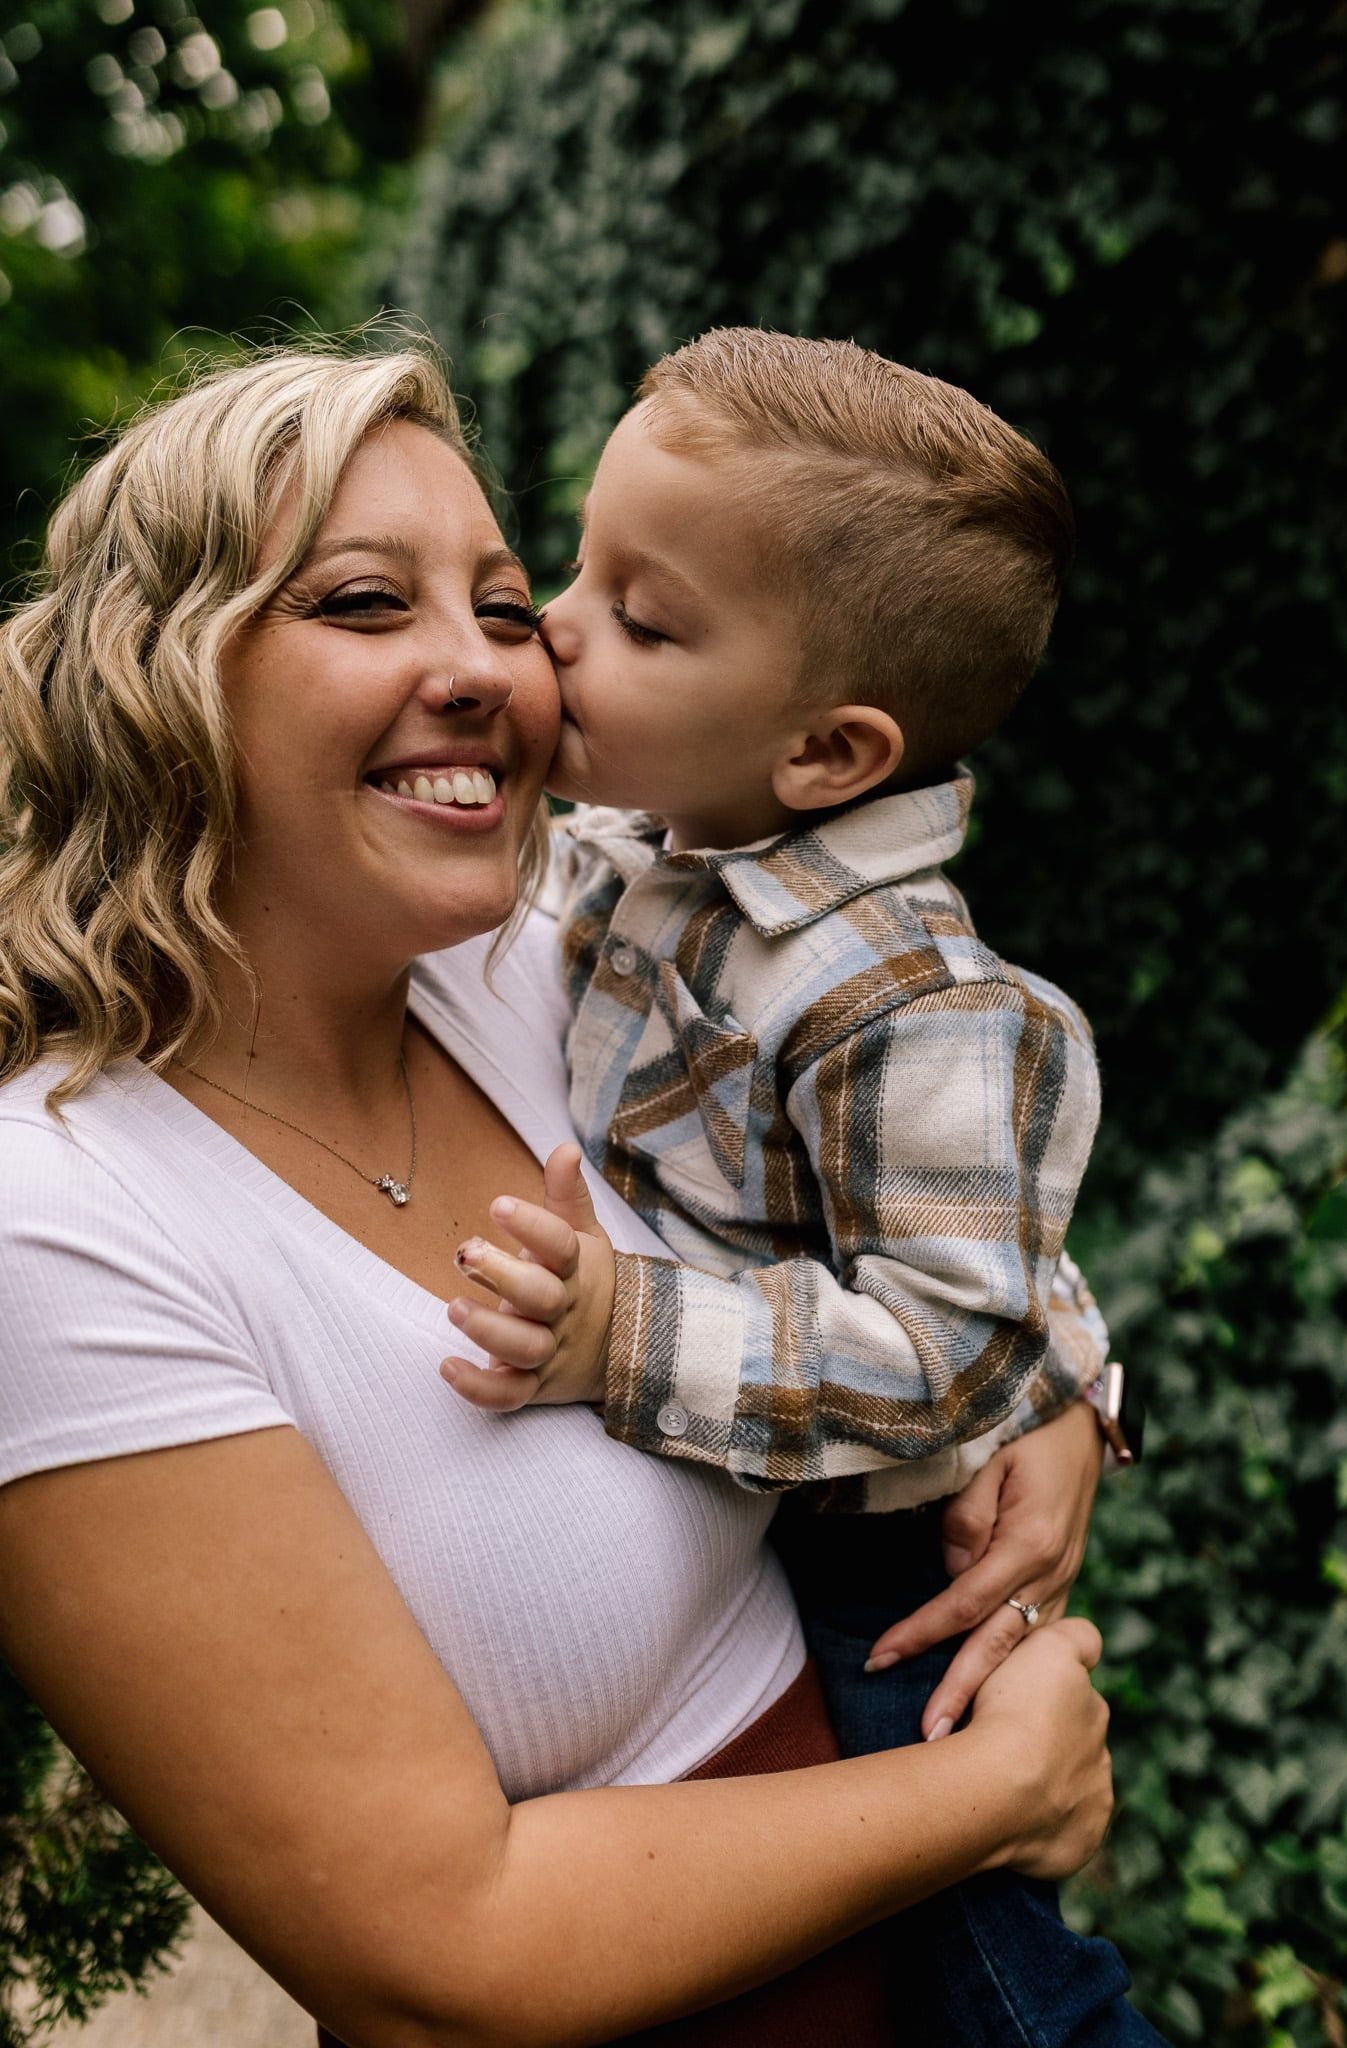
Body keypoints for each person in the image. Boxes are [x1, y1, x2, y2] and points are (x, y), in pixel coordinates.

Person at [0, 340, 1113, 2048]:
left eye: (505, 605)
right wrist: (1001, 1791)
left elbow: (920, 1166)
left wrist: (1054, 1384)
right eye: (367, 603)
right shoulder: (55, 1220)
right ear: (156, 668)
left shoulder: (555, 965)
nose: (494, 665)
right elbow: (435, 1957)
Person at [439, 329, 1163, 2044]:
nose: (551, 626)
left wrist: (626, 1328)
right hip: (760, 1522)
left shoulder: (910, 1005)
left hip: (874, 1555)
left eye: (641, 616)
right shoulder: (648, 854)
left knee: (986, 1963)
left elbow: (947, 1337)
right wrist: (1075, 1370)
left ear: (829, 755)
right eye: (577, 565)